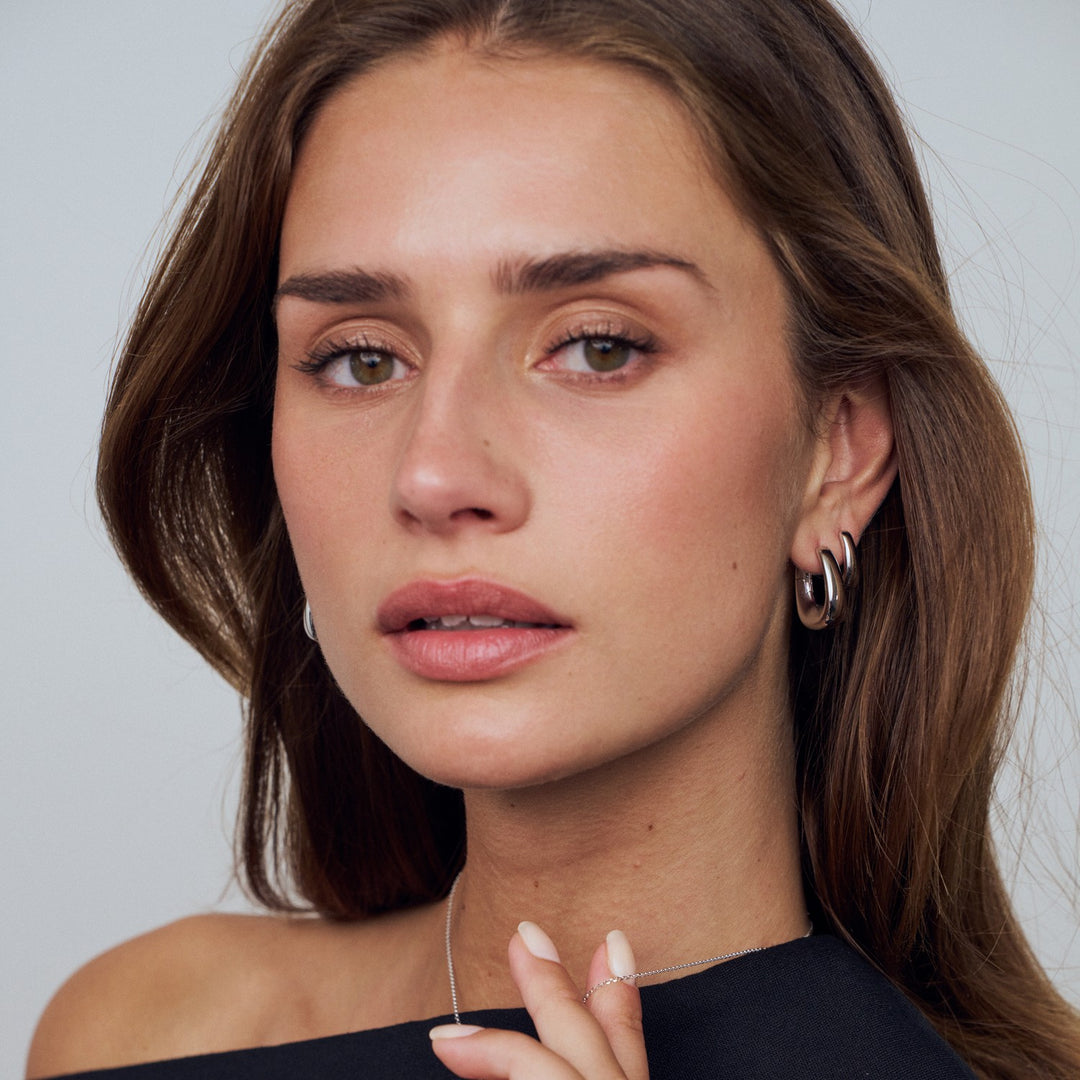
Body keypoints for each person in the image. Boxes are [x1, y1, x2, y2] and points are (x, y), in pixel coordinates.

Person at [25, 0, 1080, 1077]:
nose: (433, 475)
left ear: (838, 451)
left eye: (598, 348)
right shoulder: (140, 1032)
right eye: (362, 360)